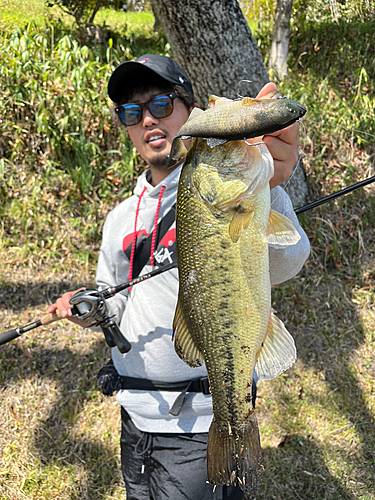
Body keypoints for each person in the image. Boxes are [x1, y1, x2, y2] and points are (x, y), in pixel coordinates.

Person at [48, 54, 310, 500]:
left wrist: (273, 184)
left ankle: (235, 427)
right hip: (135, 421)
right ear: (127, 128)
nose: (148, 119)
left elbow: (290, 259)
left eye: (162, 104)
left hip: (199, 421)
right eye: (132, 112)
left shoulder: (239, 185)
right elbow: (119, 303)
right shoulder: (118, 219)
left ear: (190, 113)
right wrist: (91, 310)